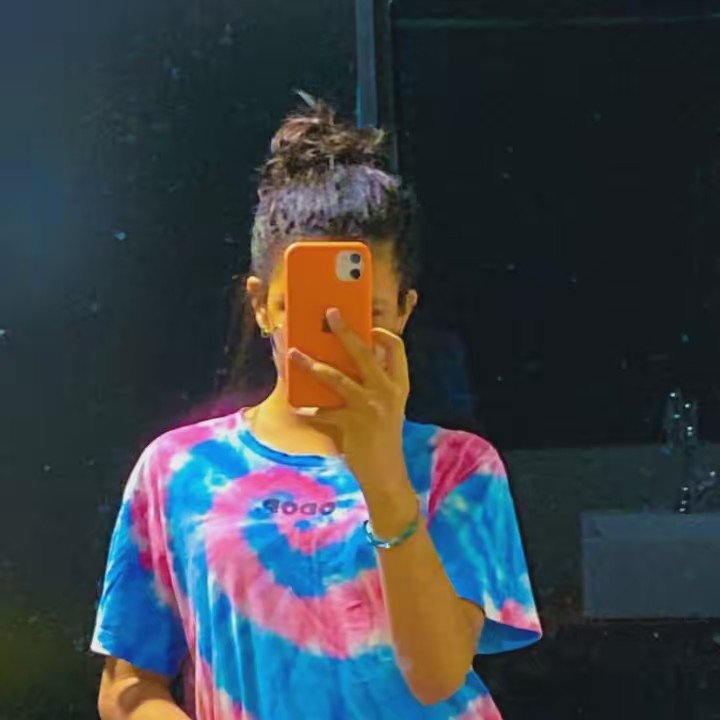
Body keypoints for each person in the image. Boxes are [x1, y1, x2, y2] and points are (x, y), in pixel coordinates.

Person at [92, 99, 542, 720]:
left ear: (404, 311)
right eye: (307, 311)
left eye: (365, 314)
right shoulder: (178, 470)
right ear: (262, 305)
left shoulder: (459, 469)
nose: (337, 336)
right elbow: (126, 688)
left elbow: (439, 676)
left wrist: (381, 470)